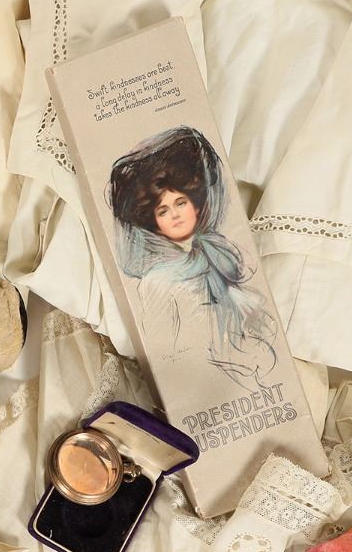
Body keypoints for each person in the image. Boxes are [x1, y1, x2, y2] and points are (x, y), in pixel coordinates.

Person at [108, 127, 274, 393]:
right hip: (204, 387)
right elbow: (165, 355)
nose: (175, 214)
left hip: (248, 373)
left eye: (180, 203)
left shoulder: (217, 257)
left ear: (195, 205)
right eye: (163, 210)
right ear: (154, 222)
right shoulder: (157, 280)